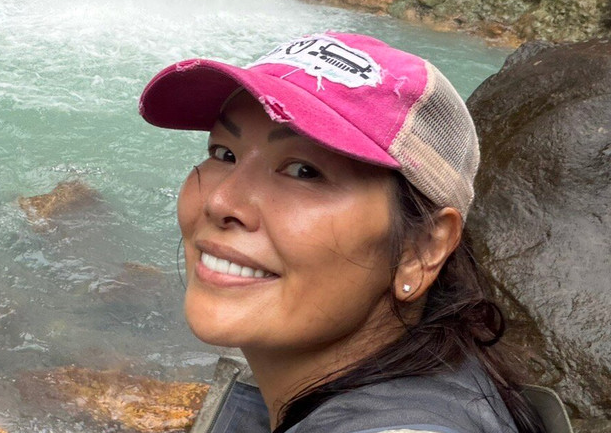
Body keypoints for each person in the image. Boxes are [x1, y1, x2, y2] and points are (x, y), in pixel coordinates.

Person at [138, 32, 571, 433]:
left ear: (422, 247)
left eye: (304, 170)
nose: (220, 202)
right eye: (223, 153)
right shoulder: (446, 380)